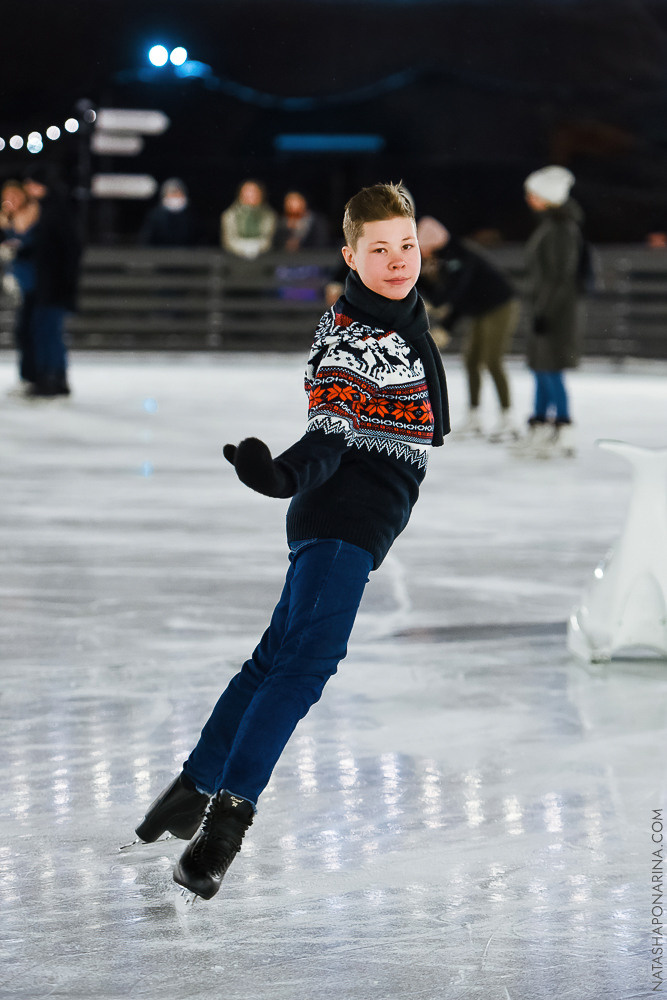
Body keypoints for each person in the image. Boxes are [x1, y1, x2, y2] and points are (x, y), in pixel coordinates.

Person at [134, 182, 450, 901]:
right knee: (304, 667)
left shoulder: (400, 317)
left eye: (405, 245)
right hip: (340, 519)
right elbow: (330, 428)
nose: (398, 260)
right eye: (379, 250)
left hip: (351, 519)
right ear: (349, 255)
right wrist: (281, 475)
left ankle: (190, 790)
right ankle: (222, 828)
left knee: (274, 658)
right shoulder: (351, 337)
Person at [416, 216, 520, 442]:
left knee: (492, 360)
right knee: (471, 360)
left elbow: (458, 294)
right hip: (480, 310)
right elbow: (449, 294)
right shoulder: (445, 257)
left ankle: (507, 417)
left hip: (500, 305)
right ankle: (474, 416)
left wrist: (446, 326)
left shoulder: (459, 256)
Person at [520, 165, 584, 458]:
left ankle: (563, 428)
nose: (528, 198)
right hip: (546, 307)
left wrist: (545, 311)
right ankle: (542, 426)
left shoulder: (561, 229)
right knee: (541, 368)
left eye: (532, 193)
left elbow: (560, 275)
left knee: (551, 369)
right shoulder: (551, 226)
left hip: (557, 311)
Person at [22, 166, 81, 397]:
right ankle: (49, 375)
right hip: (47, 283)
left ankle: (54, 377)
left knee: (49, 331)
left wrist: (64, 282)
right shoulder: (47, 210)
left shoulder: (56, 211)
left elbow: (68, 250)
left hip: (53, 285)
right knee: (43, 330)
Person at [0, 179, 41, 393]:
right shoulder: (7, 221)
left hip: (34, 284)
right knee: (22, 331)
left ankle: (35, 377)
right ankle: (27, 376)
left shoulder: (33, 216)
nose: (11, 201)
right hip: (17, 285)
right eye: (8, 196)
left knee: (30, 330)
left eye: (16, 196)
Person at [220, 179, 277, 259]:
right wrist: (242, 248)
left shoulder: (268, 215)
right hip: (235, 258)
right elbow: (228, 240)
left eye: (254, 191)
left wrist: (256, 247)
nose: (251, 195)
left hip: (263, 258)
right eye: (247, 191)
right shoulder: (230, 215)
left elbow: (267, 238)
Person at [139, 178, 197, 246]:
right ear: (164, 196)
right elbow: (146, 241)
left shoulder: (190, 217)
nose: (175, 198)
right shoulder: (155, 216)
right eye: (172, 194)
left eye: (178, 195)